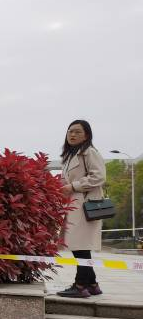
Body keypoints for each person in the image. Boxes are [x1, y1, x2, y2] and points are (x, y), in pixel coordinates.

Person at [57, 119, 106, 298]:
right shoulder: (70, 155)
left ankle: (80, 286)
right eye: (70, 131)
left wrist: (73, 186)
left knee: (80, 247)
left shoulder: (89, 152)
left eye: (77, 131)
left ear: (86, 135)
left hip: (86, 205)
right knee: (79, 245)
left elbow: (99, 176)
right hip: (74, 205)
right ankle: (92, 284)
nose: (72, 134)